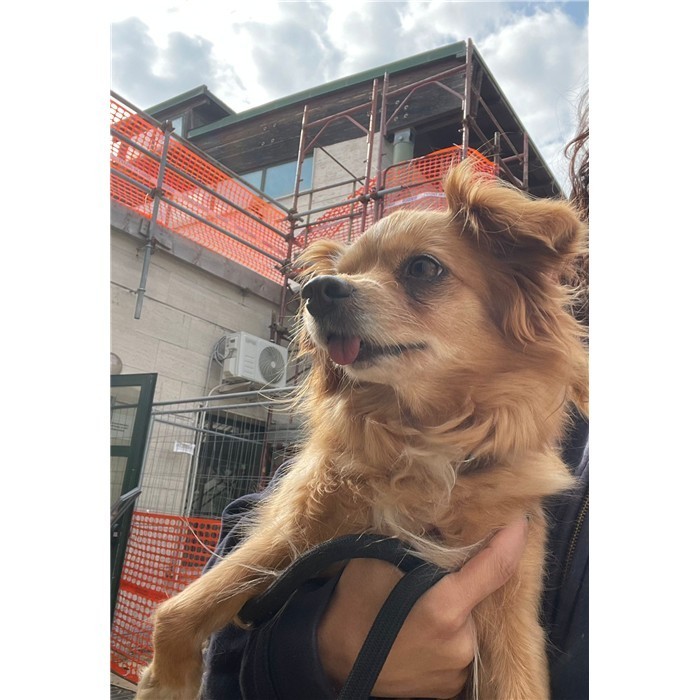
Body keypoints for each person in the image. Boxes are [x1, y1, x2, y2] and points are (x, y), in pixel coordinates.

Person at [200, 94, 590, 700]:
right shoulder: (363, 433)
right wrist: (303, 655)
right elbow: (246, 555)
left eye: (422, 271)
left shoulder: (541, 439)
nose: (336, 289)